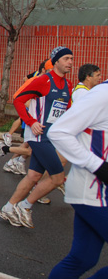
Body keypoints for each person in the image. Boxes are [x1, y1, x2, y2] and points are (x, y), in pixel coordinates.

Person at [0, 46, 73, 228]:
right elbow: (18, 99)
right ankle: (25, 206)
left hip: (52, 137)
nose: (70, 62)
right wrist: (31, 122)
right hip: (38, 136)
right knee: (57, 178)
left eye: (71, 58)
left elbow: (67, 111)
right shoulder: (44, 81)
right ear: (56, 62)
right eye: (66, 59)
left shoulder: (68, 85)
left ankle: (8, 208)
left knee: (33, 175)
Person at [47, 78, 108, 278]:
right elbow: (59, 131)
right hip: (93, 192)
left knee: (83, 258)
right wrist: (97, 166)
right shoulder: (102, 95)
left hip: (98, 195)